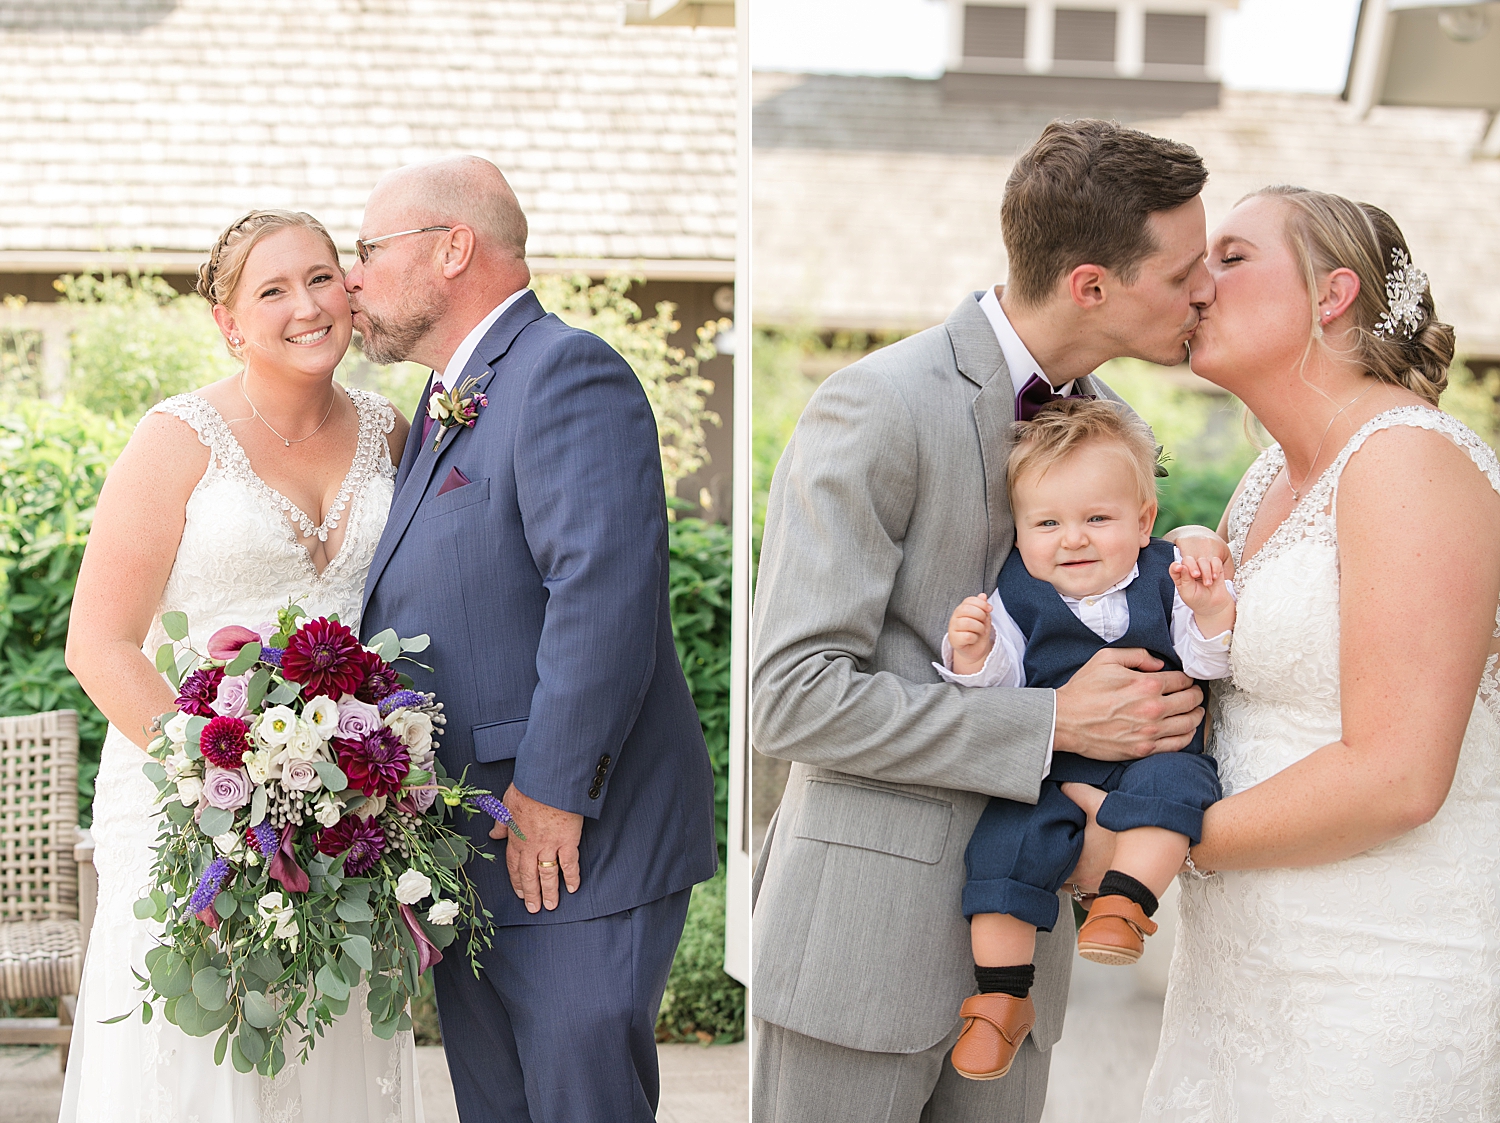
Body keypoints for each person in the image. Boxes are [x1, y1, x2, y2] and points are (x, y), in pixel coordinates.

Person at [751, 118, 1217, 1123]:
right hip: (856, 960)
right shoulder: (876, 404)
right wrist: (1053, 725)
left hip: (1018, 976)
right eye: (1183, 274)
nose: (1205, 292)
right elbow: (790, 699)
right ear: (1092, 285)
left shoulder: (1115, 431)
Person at [349, 156, 718, 1123]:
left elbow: (602, 592)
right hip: (471, 845)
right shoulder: (438, 407)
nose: (353, 279)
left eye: (367, 252)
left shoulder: (564, 370)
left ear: (451, 249)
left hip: (570, 839)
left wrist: (555, 791)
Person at [1124, 187, 1500, 1119]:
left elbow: (1399, 777)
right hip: (1245, 979)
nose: (1196, 282)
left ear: (1332, 295)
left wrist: (1144, 849)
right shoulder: (1264, 483)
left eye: (1233, 256)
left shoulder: (1408, 461)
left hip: (1382, 979)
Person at [61, 210, 418, 1120]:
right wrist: (219, 783)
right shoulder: (176, 439)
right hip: (187, 802)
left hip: (339, 804)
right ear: (227, 320)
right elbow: (99, 641)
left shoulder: (395, 433)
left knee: (323, 1038)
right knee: (194, 1052)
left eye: (323, 277)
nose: (306, 305)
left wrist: (346, 780)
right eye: (272, 290)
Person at [933, 400, 1234, 1082]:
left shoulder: (1166, 576)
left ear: (1143, 521)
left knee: (1176, 792)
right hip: (1048, 770)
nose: (1072, 539)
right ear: (1021, 530)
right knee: (1003, 845)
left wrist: (1212, 613)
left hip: (1153, 753)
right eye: (1048, 523)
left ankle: (1126, 901)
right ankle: (1000, 999)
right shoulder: (1014, 594)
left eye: (1096, 519)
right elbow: (998, 685)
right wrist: (974, 651)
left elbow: (1209, 659)